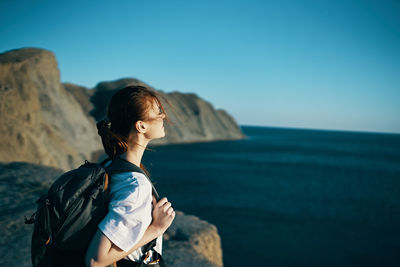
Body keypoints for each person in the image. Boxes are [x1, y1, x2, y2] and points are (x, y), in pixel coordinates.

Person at [85, 85, 175, 267]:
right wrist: (156, 229)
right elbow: (95, 260)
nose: (163, 116)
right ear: (141, 126)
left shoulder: (110, 165)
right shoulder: (136, 185)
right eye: (158, 111)